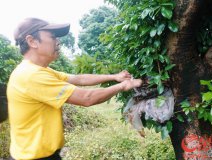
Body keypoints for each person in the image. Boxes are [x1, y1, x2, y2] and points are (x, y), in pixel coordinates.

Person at [7, 18, 142, 160]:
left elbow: (79, 79)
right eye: (53, 37)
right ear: (32, 41)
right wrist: (124, 85)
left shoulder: (39, 70)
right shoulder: (31, 75)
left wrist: (115, 77)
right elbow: (86, 98)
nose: (58, 42)